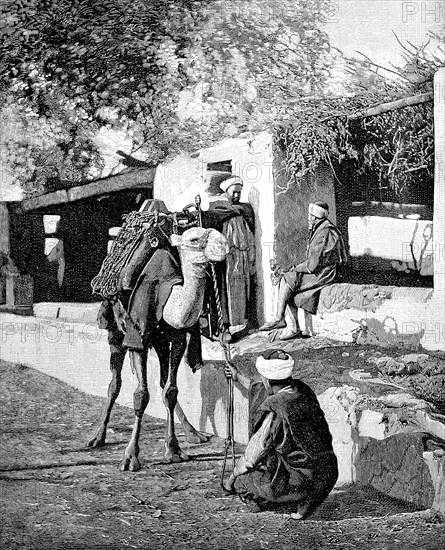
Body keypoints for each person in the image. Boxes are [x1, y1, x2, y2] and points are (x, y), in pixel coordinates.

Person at [223, 349, 338, 516]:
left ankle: (263, 501)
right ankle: (304, 505)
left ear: (267, 380)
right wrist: (238, 376)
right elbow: (260, 389)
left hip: (300, 479)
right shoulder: (302, 390)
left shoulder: (275, 408)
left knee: (243, 481)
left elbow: (253, 454)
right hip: (327, 473)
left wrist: (231, 479)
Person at [259, 202, 347, 340]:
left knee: (288, 280)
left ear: (316, 217)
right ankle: (287, 323)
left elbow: (312, 266)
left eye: (311, 216)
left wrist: (295, 268)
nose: (309, 218)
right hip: (322, 270)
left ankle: (284, 322)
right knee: (288, 281)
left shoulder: (323, 232)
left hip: (325, 273)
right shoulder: (322, 228)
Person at [202, 176, 255, 342]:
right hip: (225, 260)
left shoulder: (243, 209)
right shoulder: (218, 206)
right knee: (224, 292)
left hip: (241, 258)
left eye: (240, 192)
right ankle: (224, 327)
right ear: (227, 191)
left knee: (241, 291)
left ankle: (240, 324)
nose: (238, 196)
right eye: (235, 192)